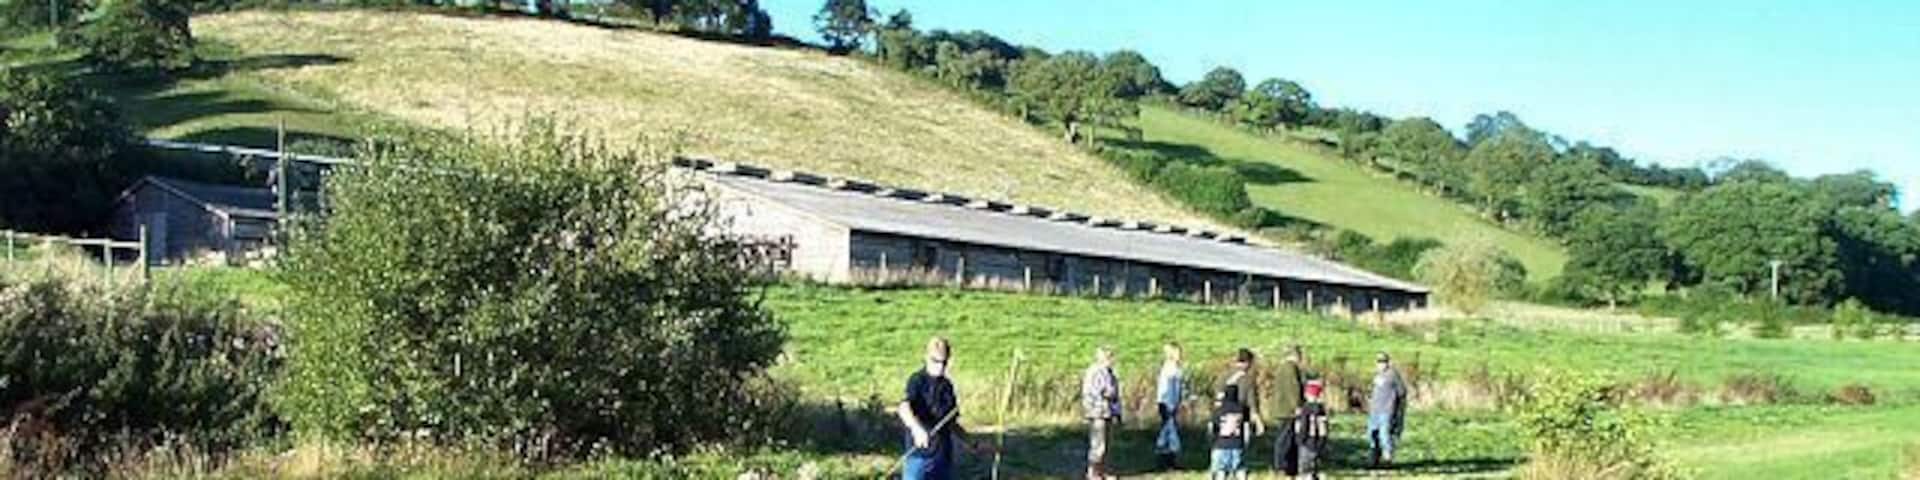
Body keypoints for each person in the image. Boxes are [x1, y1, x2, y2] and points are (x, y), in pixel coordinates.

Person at [896, 337, 990, 480]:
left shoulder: (947, 386)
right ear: (926, 357)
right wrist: (917, 429)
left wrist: (972, 443)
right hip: (919, 457)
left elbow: (951, 422)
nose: (940, 366)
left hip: (942, 458)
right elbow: (904, 408)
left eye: (944, 362)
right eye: (936, 361)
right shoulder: (917, 381)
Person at [1080, 346, 1122, 479]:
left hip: (1107, 411)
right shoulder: (1095, 372)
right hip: (1097, 411)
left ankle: (1103, 471)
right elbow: (1098, 391)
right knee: (1098, 444)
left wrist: (1117, 411)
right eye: (1109, 357)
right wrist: (1109, 393)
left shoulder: (1109, 372)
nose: (1112, 360)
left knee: (1107, 444)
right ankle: (1093, 473)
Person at [1270, 345, 1307, 475]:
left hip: (1282, 408)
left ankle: (1286, 466)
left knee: (1285, 437)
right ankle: (1281, 465)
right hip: (1287, 410)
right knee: (1286, 438)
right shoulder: (1290, 368)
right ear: (1296, 355)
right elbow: (1293, 388)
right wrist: (1297, 406)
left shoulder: (1282, 368)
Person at [1367, 351, 1408, 468]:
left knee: (1384, 435)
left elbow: (1402, 392)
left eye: (1383, 362)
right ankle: (1374, 457)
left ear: (1388, 363)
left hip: (1387, 410)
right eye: (1379, 362)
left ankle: (1388, 458)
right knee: (1371, 434)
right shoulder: (1376, 376)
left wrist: (1397, 408)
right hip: (1374, 410)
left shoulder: (1393, 375)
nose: (1381, 364)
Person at [1153, 342, 1187, 471]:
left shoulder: (1175, 368)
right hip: (1167, 404)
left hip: (1172, 403)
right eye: (1178, 353)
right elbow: (1166, 389)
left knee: (1169, 431)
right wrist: (1169, 405)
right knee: (1169, 431)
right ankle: (1166, 459)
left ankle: (1168, 460)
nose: (1180, 355)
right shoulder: (1169, 369)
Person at [1209, 383, 1252, 480]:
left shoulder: (1218, 410)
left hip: (1221, 445)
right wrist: (1246, 442)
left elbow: (1212, 428)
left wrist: (1212, 441)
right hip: (1237, 444)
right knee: (1240, 469)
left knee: (1221, 471)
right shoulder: (1243, 409)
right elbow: (1246, 427)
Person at [1294, 380, 1331, 480]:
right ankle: (1314, 475)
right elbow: (1325, 427)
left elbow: (1302, 426)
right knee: (1315, 463)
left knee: (1304, 465)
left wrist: (1299, 439)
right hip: (1318, 441)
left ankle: (1305, 476)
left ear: (1306, 394)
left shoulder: (1304, 409)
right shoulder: (1322, 410)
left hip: (1306, 442)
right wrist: (1323, 440)